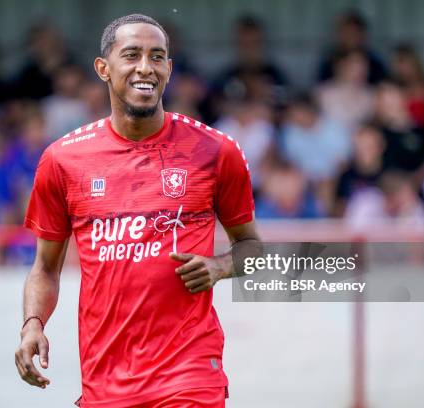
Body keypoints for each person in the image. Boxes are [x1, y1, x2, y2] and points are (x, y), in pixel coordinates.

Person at [15, 14, 260, 408]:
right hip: (105, 380)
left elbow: (251, 248)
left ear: (169, 69)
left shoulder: (216, 152)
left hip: (190, 374)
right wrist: (32, 325)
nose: (145, 67)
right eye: (131, 55)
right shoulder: (63, 160)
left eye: (157, 57)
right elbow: (45, 268)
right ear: (103, 69)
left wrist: (219, 267)